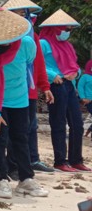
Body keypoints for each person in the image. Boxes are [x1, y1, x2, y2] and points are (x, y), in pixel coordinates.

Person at [0, 8, 49, 199]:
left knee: (21, 139)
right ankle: (1, 179)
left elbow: (30, 62)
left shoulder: (27, 44)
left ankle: (26, 179)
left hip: (20, 100)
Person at [1, 0, 55, 175]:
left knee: (27, 127)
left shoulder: (33, 37)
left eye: (24, 13)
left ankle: (27, 161)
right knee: (8, 130)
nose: (22, 17)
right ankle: (10, 166)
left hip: (28, 89)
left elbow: (38, 63)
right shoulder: (1, 36)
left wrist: (45, 86)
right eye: (17, 13)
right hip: (6, 90)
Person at [40, 9, 90, 172]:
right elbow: (37, 64)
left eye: (70, 30)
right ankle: (60, 161)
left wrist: (76, 73)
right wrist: (52, 75)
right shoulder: (43, 43)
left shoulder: (67, 46)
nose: (67, 33)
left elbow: (75, 66)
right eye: (65, 29)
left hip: (69, 85)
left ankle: (76, 159)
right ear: (56, 28)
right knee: (59, 123)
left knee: (77, 123)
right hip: (55, 84)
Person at [77, 60, 92, 138]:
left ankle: (87, 133)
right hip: (88, 100)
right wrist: (83, 97)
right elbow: (80, 87)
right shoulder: (85, 77)